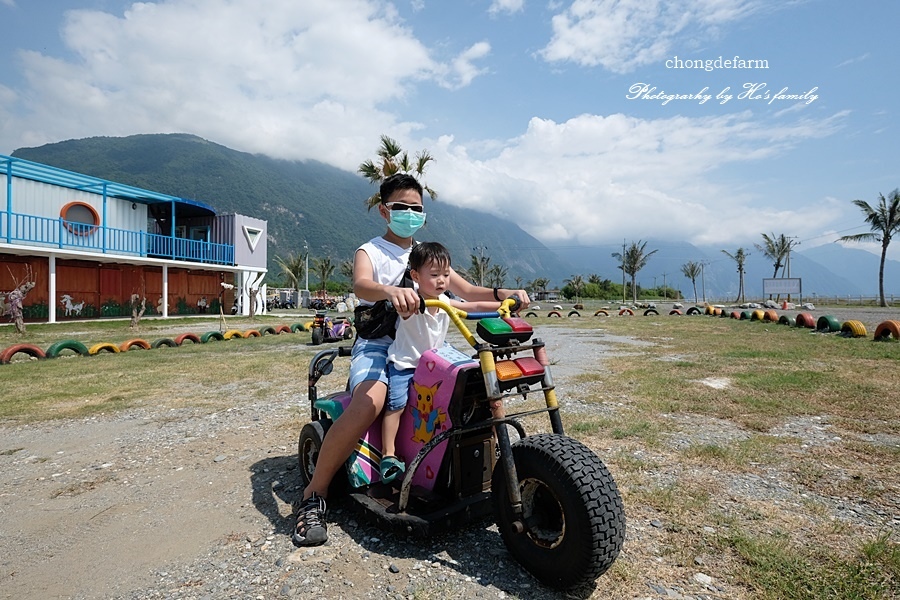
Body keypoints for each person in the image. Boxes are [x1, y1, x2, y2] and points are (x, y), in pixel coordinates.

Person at [292, 173, 530, 546]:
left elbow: (466, 292)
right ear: (384, 210)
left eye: (416, 208)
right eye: (401, 207)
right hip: (378, 345)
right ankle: (314, 496)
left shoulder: (427, 256)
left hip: (422, 346)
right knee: (370, 401)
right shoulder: (369, 251)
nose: (409, 214)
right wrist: (391, 291)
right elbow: (361, 285)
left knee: (469, 385)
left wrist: (505, 293)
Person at [380, 242, 503, 483]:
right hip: (407, 364)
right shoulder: (412, 301)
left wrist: (504, 306)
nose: (441, 281)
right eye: (434, 275)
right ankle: (388, 454)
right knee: (397, 402)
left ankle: (492, 443)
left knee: (472, 386)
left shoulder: (444, 301)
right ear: (415, 276)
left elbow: (472, 306)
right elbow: (403, 308)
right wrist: (402, 301)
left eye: (446, 275)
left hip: (435, 362)